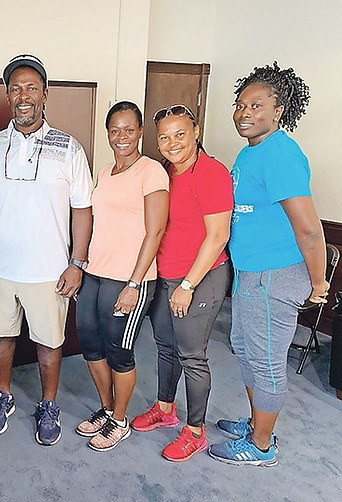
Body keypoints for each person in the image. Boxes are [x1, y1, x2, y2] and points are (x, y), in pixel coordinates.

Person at [209, 63, 328, 467]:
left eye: (256, 105)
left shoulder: (280, 154)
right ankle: (258, 423)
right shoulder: (250, 151)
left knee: (267, 360)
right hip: (250, 272)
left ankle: (262, 446)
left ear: (279, 111)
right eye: (240, 104)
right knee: (244, 347)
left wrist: (319, 282)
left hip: (275, 275)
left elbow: (310, 230)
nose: (243, 112)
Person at [0, 54, 93, 446]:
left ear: (45, 93)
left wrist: (77, 262)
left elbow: (82, 210)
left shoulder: (69, 148)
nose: (23, 95)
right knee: (1, 336)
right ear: (8, 96)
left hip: (49, 271)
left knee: (49, 341)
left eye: (31, 87)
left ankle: (48, 404)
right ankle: (4, 396)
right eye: (15, 88)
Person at [130, 104, 233, 462]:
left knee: (192, 356)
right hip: (166, 275)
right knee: (165, 347)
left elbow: (217, 236)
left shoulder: (212, 173)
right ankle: (165, 409)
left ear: (196, 132)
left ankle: (195, 431)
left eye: (180, 134)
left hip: (200, 278)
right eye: (164, 136)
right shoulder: (164, 173)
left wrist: (187, 286)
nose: (172, 143)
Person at [75, 102, 169, 451]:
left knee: (118, 351)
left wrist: (134, 283)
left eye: (129, 129)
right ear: (107, 133)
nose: (121, 136)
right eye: (115, 129)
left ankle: (120, 419)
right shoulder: (103, 172)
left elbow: (155, 231)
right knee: (89, 344)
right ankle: (106, 407)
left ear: (140, 131)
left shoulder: (151, 172)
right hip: (96, 273)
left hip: (130, 279)